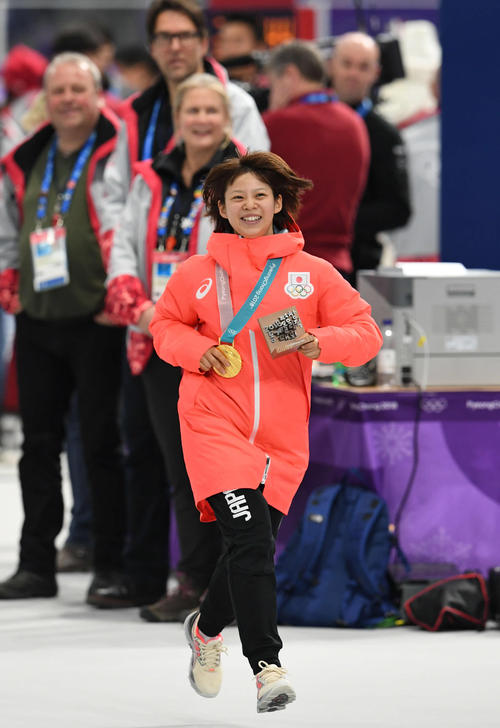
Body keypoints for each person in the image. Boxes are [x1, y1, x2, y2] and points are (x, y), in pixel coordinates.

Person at [149, 151, 382, 712]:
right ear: (220, 209)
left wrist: (319, 343)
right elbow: (164, 327)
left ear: (279, 202)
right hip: (213, 422)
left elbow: (366, 331)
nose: (249, 206)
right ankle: (266, 667)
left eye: (259, 196)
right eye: (236, 198)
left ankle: (205, 631)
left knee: (250, 548)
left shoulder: (313, 273)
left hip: (281, 439)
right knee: (250, 541)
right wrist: (202, 352)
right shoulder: (196, 274)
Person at [105, 73, 245, 618]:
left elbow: (248, 260)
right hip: (156, 340)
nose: (203, 120)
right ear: (179, 118)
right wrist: (140, 308)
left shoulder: (242, 180)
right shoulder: (150, 177)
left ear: (226, 118)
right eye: (194, 111)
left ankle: (218, 585)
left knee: (212, 471)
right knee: (173, 466)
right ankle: (193, 580)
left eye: (213, 111)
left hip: (216, 349)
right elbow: (123, 247)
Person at [0, 53, 127, 601]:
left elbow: (127, 223)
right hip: (38, 320)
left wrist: (123, 293)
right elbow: (11, 223)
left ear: (98, 94)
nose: (69, 99)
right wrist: (9, 280)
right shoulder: (26, 157)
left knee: (102, 445)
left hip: (98, 319)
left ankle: (111, 565)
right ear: (45, 100)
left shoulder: (117, 152)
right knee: (38, 445)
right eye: (59, 91)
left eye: (79, 88)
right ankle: (35, 564)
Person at [102, 0, 269, 232]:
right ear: (152, 47)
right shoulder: (137, 111)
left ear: (203, 43)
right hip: (149, 259)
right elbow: (115, 195)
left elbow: (257, 190)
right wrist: (122, 254)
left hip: (216, 257)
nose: (175, 46)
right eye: (164, 37)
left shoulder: (237, 106)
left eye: (184, 36)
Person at [263, 40, 370, 278]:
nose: (272, 93)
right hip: (339, 271)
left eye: (273, 84)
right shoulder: (355, 123)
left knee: (280, 319)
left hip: (286, 270)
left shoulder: (276, 124)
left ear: (289, 74)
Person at [330, 32, 411, 282]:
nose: (353, 73)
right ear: (331, 65)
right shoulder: (304, 122)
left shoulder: (384, 135)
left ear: (375, 73)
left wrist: (336, 220)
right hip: (301, 259)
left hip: (358, 265)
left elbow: (398, 208)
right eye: (347, 63)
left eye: (363, 66)